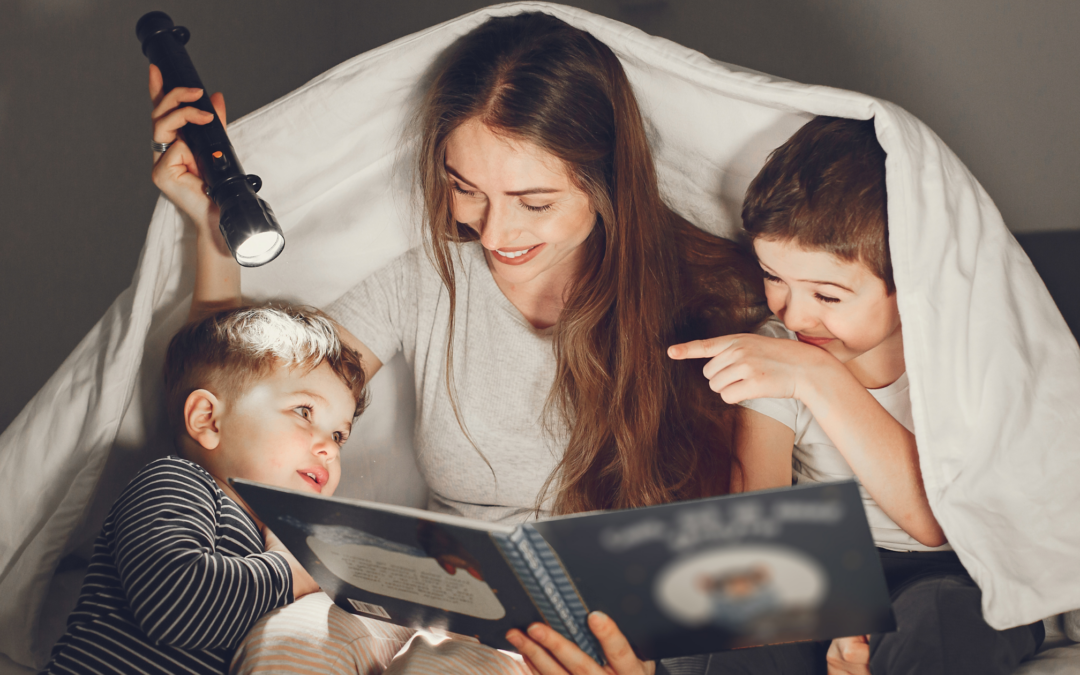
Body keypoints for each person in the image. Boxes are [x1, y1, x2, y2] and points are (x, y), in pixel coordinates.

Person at [147, 10, 768, 675]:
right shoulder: (427, 279)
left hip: (589, 622)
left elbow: (756, 568)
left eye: (534, 202)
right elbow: (242, 390)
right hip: (428, 583)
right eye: (465, 189)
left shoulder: (716, 300)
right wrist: (211, 227)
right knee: (286, 642)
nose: (494, 233)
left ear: (608, 182)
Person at [667, 116, 1045, 675]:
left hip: (959, 571)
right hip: (829, 568)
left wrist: (818, 378)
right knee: (744, 641)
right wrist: (829, 610)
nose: (795, 314)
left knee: (941, 620)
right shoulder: (779, 348)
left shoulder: (963, 352)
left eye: (827, 295)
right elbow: (757, 519)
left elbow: (935, 524)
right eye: (774, 277)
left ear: (911, 283)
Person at [44, 303, 369, 674]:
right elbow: (170, 603)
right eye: (304, 412)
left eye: (339, 435)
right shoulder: (177, 482)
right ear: (208, 420)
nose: (330, 448)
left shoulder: (284, 543)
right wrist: (292, 573)